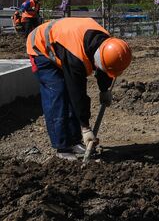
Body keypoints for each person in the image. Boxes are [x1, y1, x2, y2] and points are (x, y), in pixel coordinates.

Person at [26, 18, 132, 160]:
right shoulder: (76, 56)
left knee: (69, 97)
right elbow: (77, 93)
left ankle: (74, 141)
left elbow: (104, 68)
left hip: (63, 42)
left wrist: (104, 89)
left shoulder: (107, 44)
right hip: (40, 47)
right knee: (58, 94)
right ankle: (62, 146)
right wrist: (85, 127)